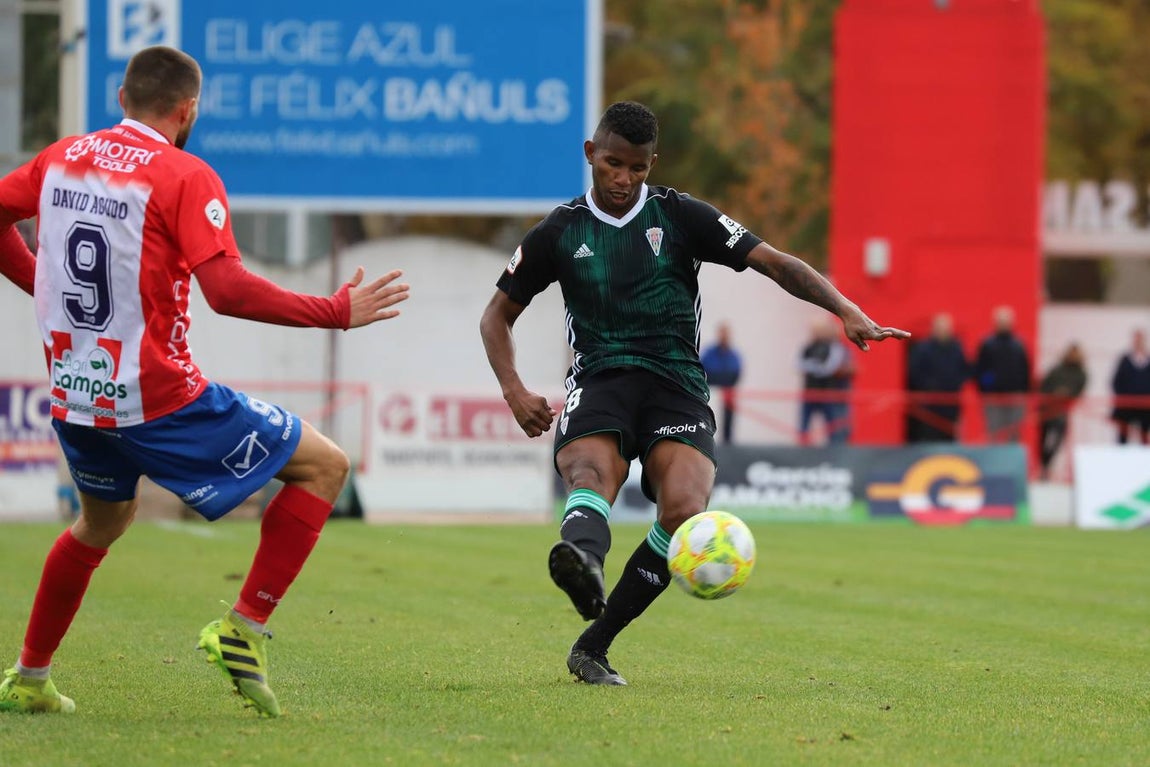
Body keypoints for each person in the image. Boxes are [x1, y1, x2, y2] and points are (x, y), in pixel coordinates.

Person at [0, 46, 409, 717]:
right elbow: (225, 290)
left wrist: (43, 289)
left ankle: (29, 676)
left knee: (100, 523)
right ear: (188, 110)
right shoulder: (184, 174)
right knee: (324, 467)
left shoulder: (60, 158)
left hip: (77, 393)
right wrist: (333, 311)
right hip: (158, 398)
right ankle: (242, 628)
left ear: (123, 97)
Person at [479, 101, 908, 686]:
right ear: (590, 155)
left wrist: (844, 308)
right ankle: (582, 562)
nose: (623, 179)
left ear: (652, 163)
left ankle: (593, 646)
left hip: (675, 384)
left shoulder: (680, 216)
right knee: (590, 473)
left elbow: (774, 263)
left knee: (684, 510)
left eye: (636, 167)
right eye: (611, 164)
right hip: (600, 379)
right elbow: (495, 317)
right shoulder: (559, 231)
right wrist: (514, 390)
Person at [906, 312, 969, 442]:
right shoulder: (923, 349)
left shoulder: (956, 349)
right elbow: (915, 373)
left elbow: (965, 370)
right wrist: (928, 387)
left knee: (951, 440)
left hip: (951, 405)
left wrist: (955, 385)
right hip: (930, 406)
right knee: (930, 438)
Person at [974, 306, 1031, 442]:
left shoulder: (1019, 345)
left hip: (1015, 397)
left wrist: (1022, 391)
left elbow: (1024, 370)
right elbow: (982, 370)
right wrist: (988, 388)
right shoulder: (987, 345)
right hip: (994, 398)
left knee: (1014, 434)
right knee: (994, 434)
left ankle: (1011, 463)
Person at [797, 316, 854, 444]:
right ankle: (804, 447)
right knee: (805, 426)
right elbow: (799, 363)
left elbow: (831, 367)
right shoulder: (809, 347)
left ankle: (836, 451)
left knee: (836, 426)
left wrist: (815, 368)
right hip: (812, 392)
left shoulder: (838, 347)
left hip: (832, 393)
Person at [1037, 342, 1088, 478]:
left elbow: (1079, 391)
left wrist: (1067, 395)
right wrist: (1054, 394)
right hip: (1048, 410)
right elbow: (1044, 385)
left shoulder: (1081, 373)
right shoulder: (1057, 369)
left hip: (1062, 413)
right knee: (1043, 440)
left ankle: (1046, 464)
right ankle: (1043, 466)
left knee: (1057, 440)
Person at [700, 322, 742, 444]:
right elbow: (704, 369)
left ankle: (727, 442)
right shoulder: (710, 352)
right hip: (711, 391)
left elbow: (736, 372)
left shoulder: (733, 354)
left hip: (727, 392)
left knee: (728, 415)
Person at [1110, 329, 1150, 444]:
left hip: (1145, 406)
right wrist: (1123, 397)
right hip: (1126, 405)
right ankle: (1120, 459)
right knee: (1123, 435)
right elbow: (1116, 381)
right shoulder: (1125, 360)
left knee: (1144, 435)